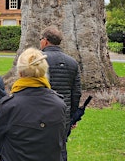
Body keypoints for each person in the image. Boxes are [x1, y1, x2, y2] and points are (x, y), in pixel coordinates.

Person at [0, 48, 67, 161]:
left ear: (20, 73)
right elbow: (60, 138)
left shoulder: (9, 105)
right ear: (43, 72)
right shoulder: (59, 104)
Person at [40, 26, 81, 161]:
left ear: (45, 41)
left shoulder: (39, 61)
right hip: (63, 115)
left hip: (42, 113)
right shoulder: (72, 63)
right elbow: (76, 93)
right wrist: (73, 115)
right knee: (61, 148)